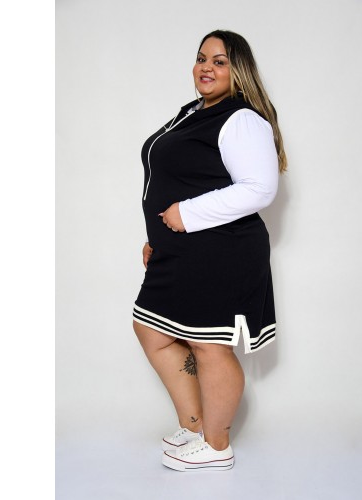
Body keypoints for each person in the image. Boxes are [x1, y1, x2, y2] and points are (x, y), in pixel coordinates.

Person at [132, 29, 287, 472]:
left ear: (238, 70)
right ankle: (197, 426)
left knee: (209, 346)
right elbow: (181, 177)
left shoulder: (241, 119)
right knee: (153, 330)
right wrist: (158, 237)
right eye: (202, 58)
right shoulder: (193, 113)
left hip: (221, 250)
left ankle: (217, 446)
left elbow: (260, 188)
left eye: (219, 61)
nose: (206, 67)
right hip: (181, 249)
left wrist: (186, 214)